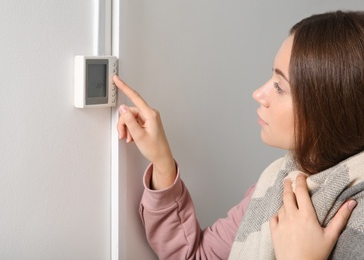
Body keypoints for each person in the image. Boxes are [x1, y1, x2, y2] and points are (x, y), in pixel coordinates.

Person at [115, 10, 364, 260]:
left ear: (331, 107)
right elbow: (196, 256)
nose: (258, 93)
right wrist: (162, 162)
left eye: (280, 86)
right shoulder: (278, 184)